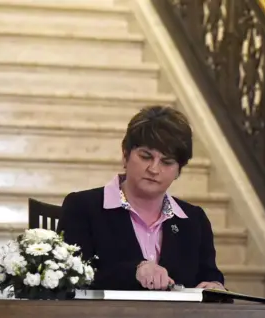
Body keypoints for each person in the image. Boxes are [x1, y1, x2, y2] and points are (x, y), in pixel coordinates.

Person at [58, 105, 225, 291]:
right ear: (125, 155)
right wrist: (135, 271)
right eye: (146, 157)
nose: (154, 169)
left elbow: (209, 275)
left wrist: (214, 286)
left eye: (167, 162)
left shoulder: (194, 219)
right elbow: (71, 278)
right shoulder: (83, 208)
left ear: (179, 170)